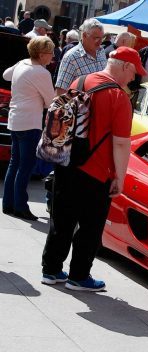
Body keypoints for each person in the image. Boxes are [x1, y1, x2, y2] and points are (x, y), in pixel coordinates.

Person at [41, 46, 147, 291]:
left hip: (66, 162)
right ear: (123, 65)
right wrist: (120, 177)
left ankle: (51, 270)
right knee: (90, 226)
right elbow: (121, 143)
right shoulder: (119, 98)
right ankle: (79, 276)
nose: (134, 77)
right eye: (133, 72)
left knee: (61, 219)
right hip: (96, 172)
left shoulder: (80, 81)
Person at [2, 36, 56, 220]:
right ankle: (20, 206)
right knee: (25, 166)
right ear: (41, 54)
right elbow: (51, 102)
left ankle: (8, 204)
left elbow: (6, 75)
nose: (53, 56)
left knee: (15, 163)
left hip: (16, 120)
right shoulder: (41, 72)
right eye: (50, 53)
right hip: (29, 122)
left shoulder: (22, 65)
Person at [55, 18, 107, 95]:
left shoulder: (101, 51)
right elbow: (61, 90)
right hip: (81, 106)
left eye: (101, 38)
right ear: (84, 35)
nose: (100, 42)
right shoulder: (71, 57)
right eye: (96, 38)